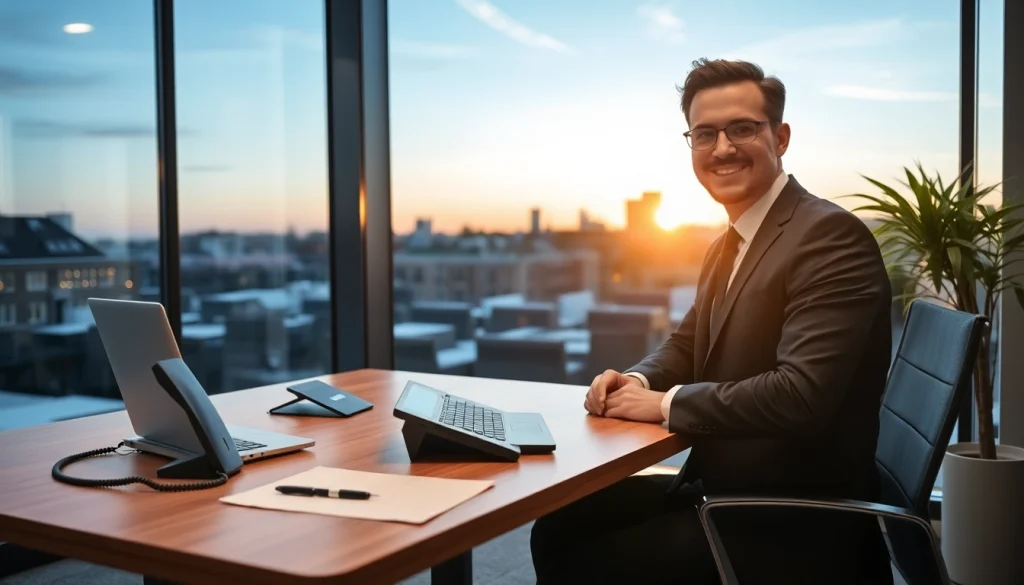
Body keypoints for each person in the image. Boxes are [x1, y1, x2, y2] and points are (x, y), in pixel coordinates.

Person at [530, 58, 894, 585]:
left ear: (781, 137)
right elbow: (686, 344)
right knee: (559, 523)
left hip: (791, 520)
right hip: (726, 488)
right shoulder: (731, 242)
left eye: (742, 128)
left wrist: (663, 404)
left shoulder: (828, 236)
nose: (722, 148)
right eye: (705, 134)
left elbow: (801, 396)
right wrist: (635, 379)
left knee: (589, 554)